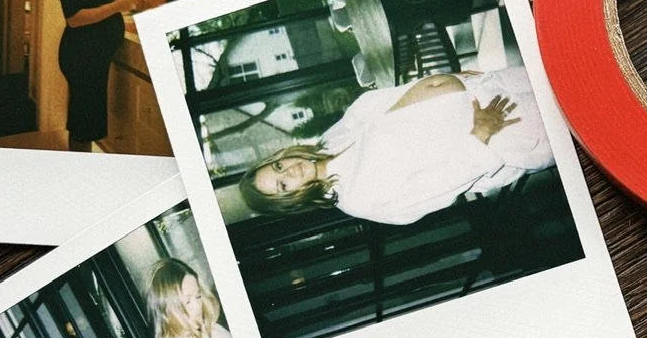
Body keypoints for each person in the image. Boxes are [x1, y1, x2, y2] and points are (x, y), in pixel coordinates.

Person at [237, 67, 555, 228]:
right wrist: (482, 132)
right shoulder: (358, 200)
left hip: (488, 88)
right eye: (283, 184)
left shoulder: (332, 141)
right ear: (290, 201)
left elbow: (392, 106)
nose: (290, 170)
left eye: (278, 166)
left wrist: (453, 77)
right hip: (505, 128)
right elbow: (439, 187)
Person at [56, 0, 158, 151]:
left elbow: (99, 0)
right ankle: (79, 171)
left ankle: (83, 166)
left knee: (89, 119)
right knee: (83, 120)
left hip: (94, 55)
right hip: (81, 55)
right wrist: (117, 6)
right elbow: (75, 18)